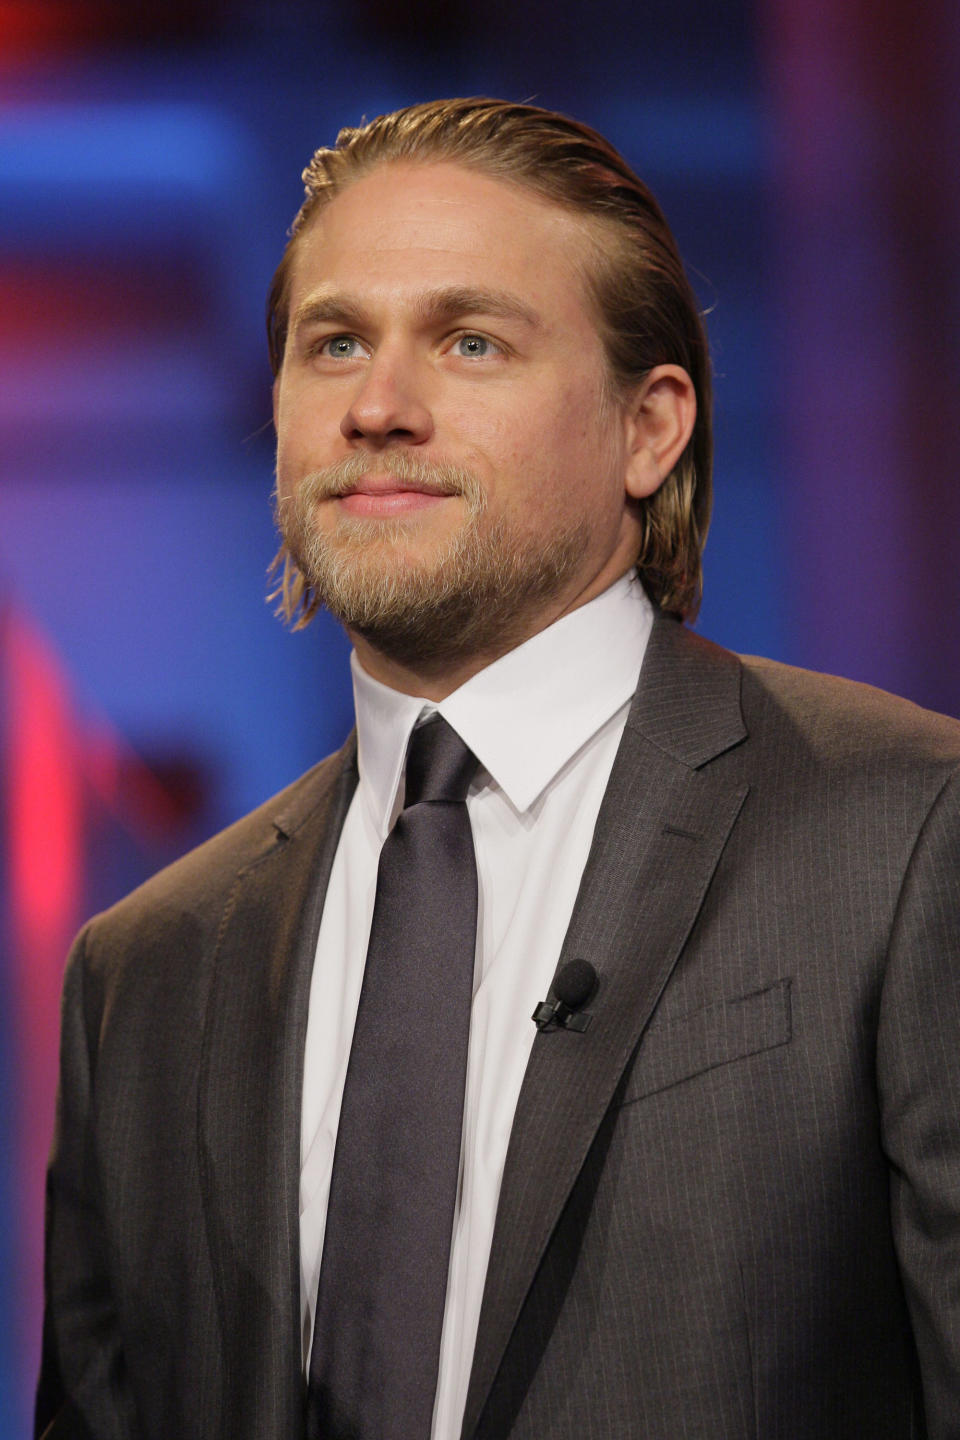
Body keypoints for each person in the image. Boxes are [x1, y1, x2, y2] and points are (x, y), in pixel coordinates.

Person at [36, 98, 960, 1440]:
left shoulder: (907, 835)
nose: (379, 407)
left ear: (651, 429)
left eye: (470, 342)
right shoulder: (144, 974)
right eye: (334, 342)